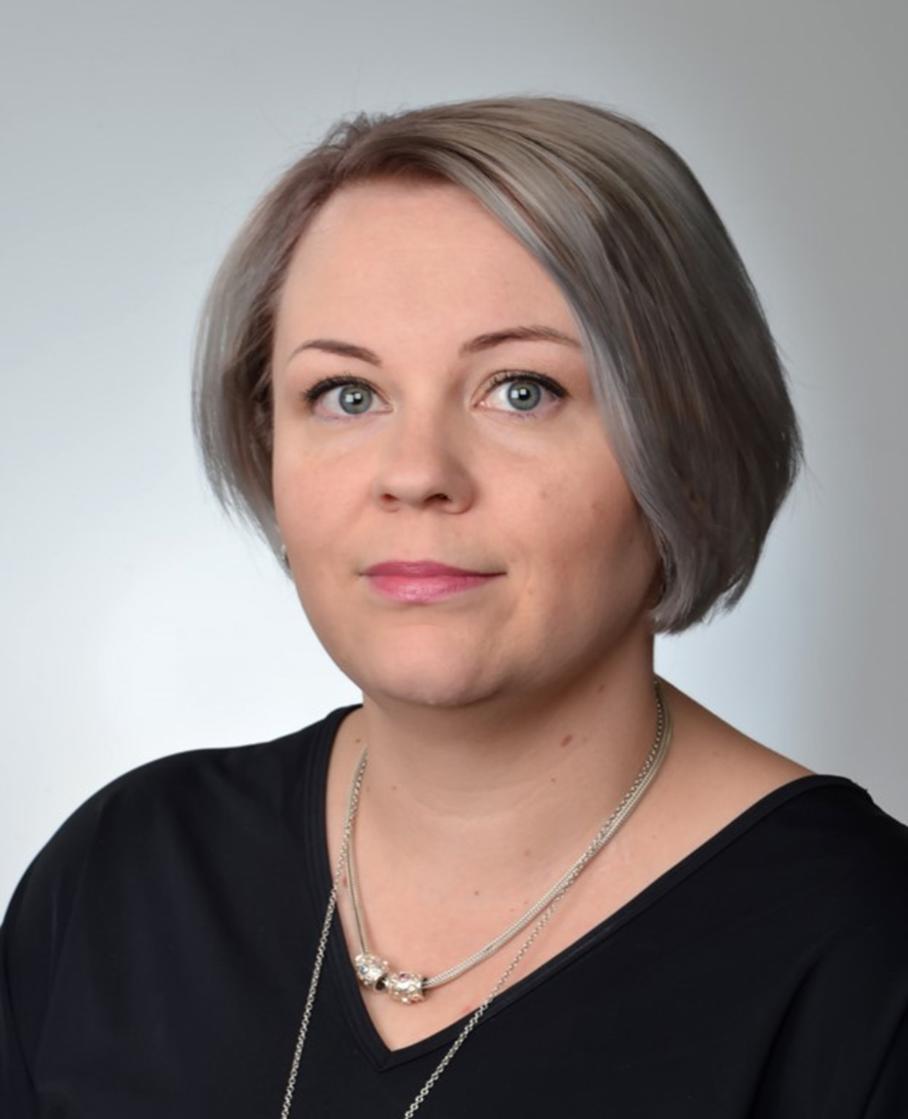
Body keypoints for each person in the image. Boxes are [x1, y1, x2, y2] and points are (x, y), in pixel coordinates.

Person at [2, 94, 906, 1118]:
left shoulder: (865, 955)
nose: (416, 473)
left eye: (521, 389)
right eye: (347, 394)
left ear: (685, 452)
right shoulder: (126, 876)